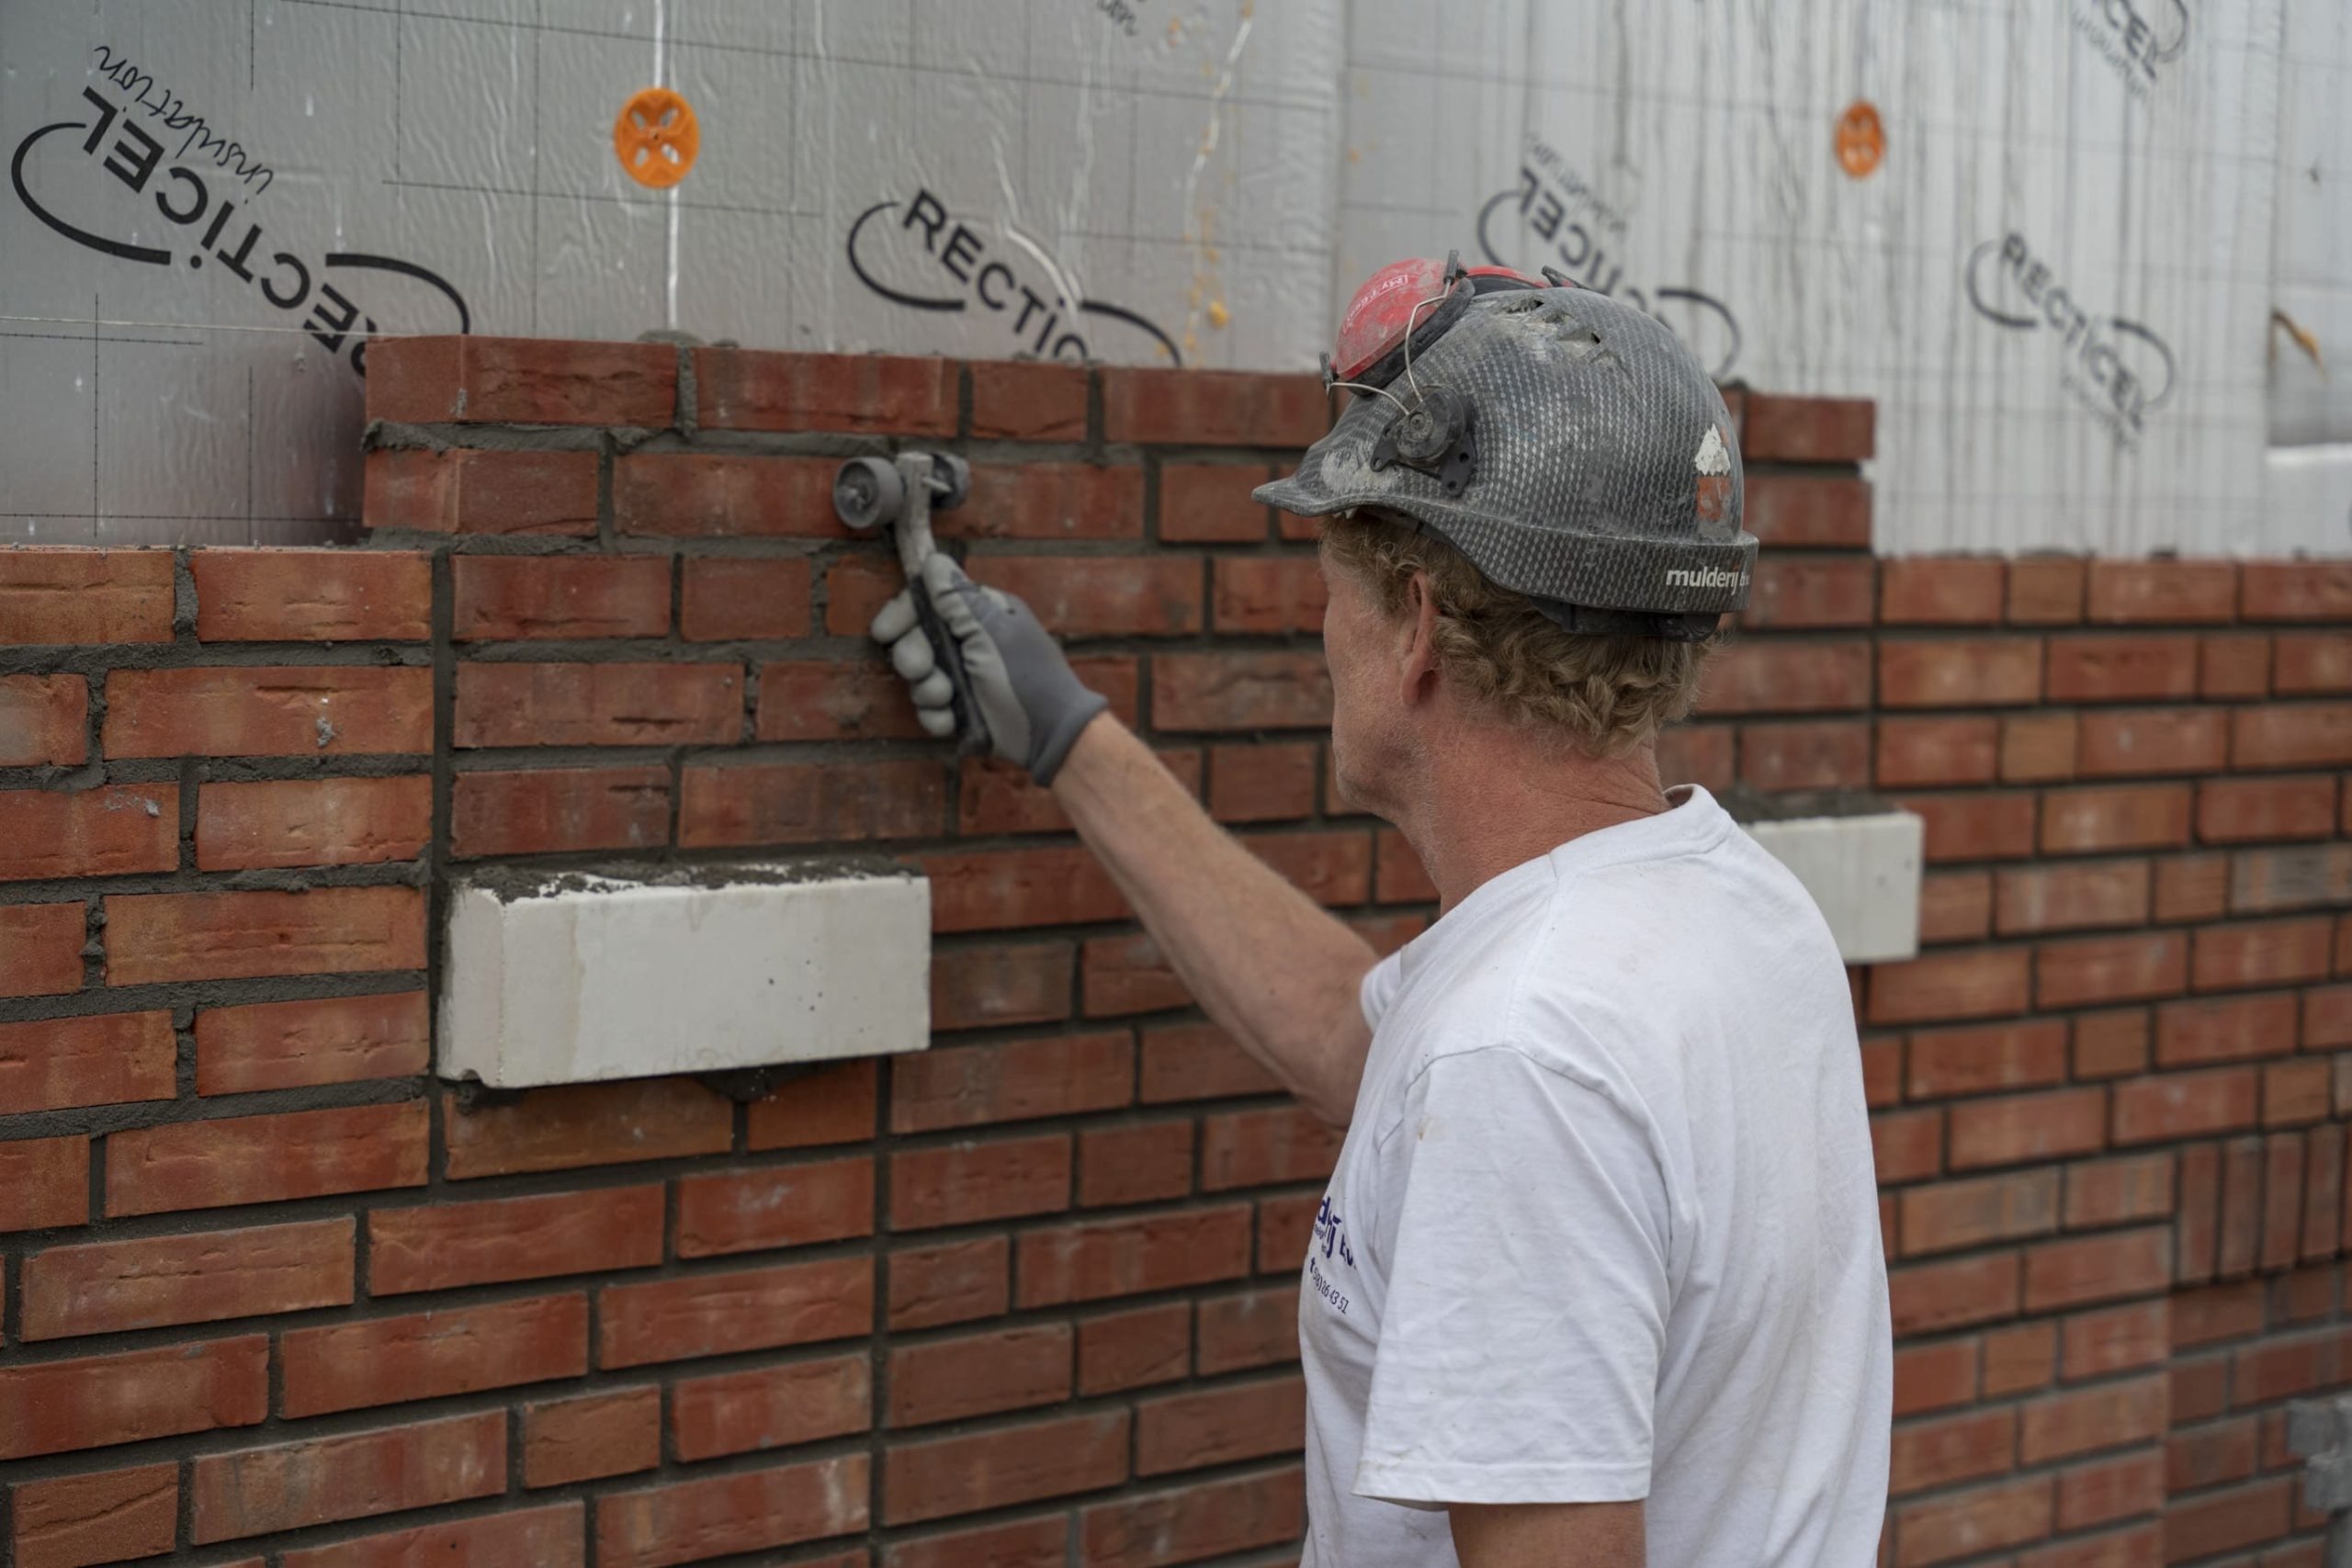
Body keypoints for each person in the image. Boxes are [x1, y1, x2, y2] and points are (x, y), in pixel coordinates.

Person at [867, 258, 1892, 1568]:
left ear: (1414, 629)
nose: (1321, 640)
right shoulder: (1728, 908)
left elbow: (1485, 1084)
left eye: (1334, 596)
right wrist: (1070, 737)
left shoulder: (1525, 1059)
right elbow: (1375, 1057)